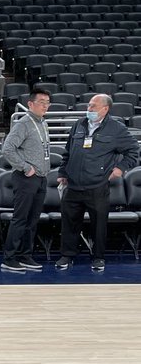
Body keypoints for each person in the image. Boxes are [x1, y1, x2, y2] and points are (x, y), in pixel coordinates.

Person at [55, 93, 139, 273]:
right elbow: (68, 152)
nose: (89, 109)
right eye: (89, 106)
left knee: (99, 224)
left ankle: (98, 257)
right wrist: (63, 172)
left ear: (105, 109)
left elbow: (133, 151)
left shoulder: (116, 129)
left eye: (93, 106)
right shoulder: (79, 125)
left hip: (97, 186)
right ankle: (67, 256)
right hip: (73, 184)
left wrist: (120, 169)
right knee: (69, 223)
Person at [0, 88, 51, 274]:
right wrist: (25, 167)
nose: (45, 105)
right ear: (30, 104)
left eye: (47, 102)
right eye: (42, 102)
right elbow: (8, 148)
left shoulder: (42, 122)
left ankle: (25, 255)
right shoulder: (24, 124)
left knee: (32, 220)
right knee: (20, 219)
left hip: (41, 178)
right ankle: (10, 257)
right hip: (26, 178)